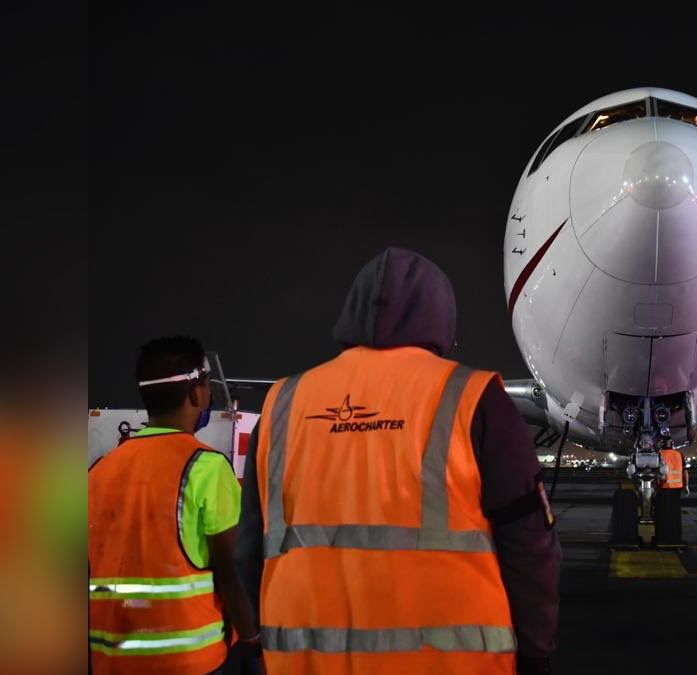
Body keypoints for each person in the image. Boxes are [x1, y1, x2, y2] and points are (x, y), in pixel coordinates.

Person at [235, 247, 561, 674]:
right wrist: (536, 652)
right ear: (442, 319)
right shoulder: (473, 398)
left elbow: (247, 549)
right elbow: (530, 548)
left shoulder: (282, 403)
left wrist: (255, 644)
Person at [89, 336, 259, 674]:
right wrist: (253, 643)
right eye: (208, 387)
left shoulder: (100, 470)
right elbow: (233, 571)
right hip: (192, 660)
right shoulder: (206, 467)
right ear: (196, 394)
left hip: (111, 660)